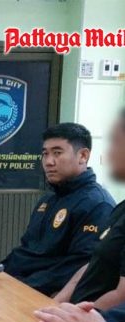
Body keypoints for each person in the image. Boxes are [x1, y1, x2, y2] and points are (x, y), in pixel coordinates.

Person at [2, 123, 115, 296]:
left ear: (83, 156)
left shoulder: (98, 204)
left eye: (57, 153)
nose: (48, 162)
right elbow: (26, 251)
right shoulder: (48, 200)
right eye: (45, 154)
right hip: (22, 287)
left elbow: (81, 266)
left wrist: (23, 286)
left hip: (54, 298)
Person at [52, 110, 125, 309]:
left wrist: (79, 318)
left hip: (98, 321)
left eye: (116, 143)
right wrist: (54, 305)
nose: (108, 153)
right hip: (75, 311)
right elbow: (93, 264)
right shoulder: (121, 209)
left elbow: (121, 295)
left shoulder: (99, 202)